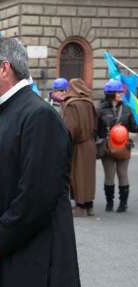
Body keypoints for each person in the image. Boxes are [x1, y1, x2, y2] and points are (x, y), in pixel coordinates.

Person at [0, 37, 81, 287]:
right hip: (8, 248)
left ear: (5, 68)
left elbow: (37, 195)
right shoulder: (6, 111)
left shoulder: (39, 116)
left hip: (35, 258)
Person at [97, 79, 138, 212]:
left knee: (122, 174)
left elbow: (134, 127)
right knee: (109, 175)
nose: (121, 94)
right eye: (118, 92)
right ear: (110, 93)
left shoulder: (127, 108)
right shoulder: (100, 109)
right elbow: (96, 129)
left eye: (121, 91)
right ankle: (109, 203)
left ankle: (123, 204)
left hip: (123, 146)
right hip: (107, 147)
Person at [61, 78, 97, 217]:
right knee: (89, 175)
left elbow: (70, 129)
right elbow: (96, 124)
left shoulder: (72, 104)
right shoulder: (90, 103)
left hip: (78, 146)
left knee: (77, 175)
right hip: (90, 144)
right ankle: (89, 205)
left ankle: (80, 206)